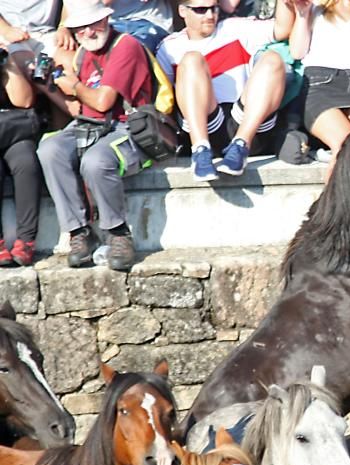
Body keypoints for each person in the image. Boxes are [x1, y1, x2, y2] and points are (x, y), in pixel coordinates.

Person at [35, 0, 152, 272]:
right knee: (48, 150)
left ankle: (118, 232)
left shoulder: (126, 46)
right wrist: (49, 86)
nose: (88, 32)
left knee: (96, 160)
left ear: (106, 20)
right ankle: (78, 233)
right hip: (89, 125)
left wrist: (73, 85)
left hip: (128, 127)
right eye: (80, 28)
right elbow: (79, 109)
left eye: (93, 24)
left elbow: (102, 101)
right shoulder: (83, 53)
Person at [157, 0, 291, 182]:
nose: (210, 15)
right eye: (201, 10)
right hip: (206, 124)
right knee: (191, 60)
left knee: (273, 60)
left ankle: (240, 146)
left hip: (246, 122)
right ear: (182, 11)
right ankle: (200, 150)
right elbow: (164, 99)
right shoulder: (168, 47)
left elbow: (283, 29)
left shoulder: (233, 27)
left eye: (214, 9)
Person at [286, 0, 350, 180]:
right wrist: (302, 15)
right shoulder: (316, 6)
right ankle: (332, 207)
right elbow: (297, 52)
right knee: (345, 145)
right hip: (321, 84)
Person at [0, 50, 41, 266]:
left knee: (26, 161)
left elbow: (24, 101)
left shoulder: (7, 61)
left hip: (11, 131)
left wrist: (6, 63)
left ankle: (26, 240)